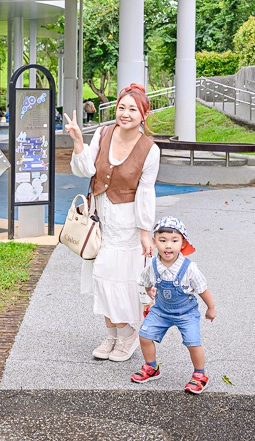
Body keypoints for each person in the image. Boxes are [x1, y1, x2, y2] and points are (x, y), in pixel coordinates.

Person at [64, 83, 160, 363]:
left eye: (132, 109)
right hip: (100, 216)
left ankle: (128, 335)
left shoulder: (149, 150)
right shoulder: (103, 132)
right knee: (101, 278)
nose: (125, 113)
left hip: (127, 222)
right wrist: (78, 141)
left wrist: (145, 231)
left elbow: (145, 192)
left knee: (122, 280)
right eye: (121, 107)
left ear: (143, 115)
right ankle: (111, 335)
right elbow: (86, 169)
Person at [130, 216, 216, 394]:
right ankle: (151, 367)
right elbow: (146, 282)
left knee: (193, 342)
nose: (168, 245)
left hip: (186, 313)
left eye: (174, 240)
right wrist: (150, 293)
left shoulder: (189, 268)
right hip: (161, 310)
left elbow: (202, 289)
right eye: (162, 240)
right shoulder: (153, 265)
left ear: (182, 243)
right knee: (145, 335)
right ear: (154, 242)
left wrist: (211, 307)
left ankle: (200, 374)